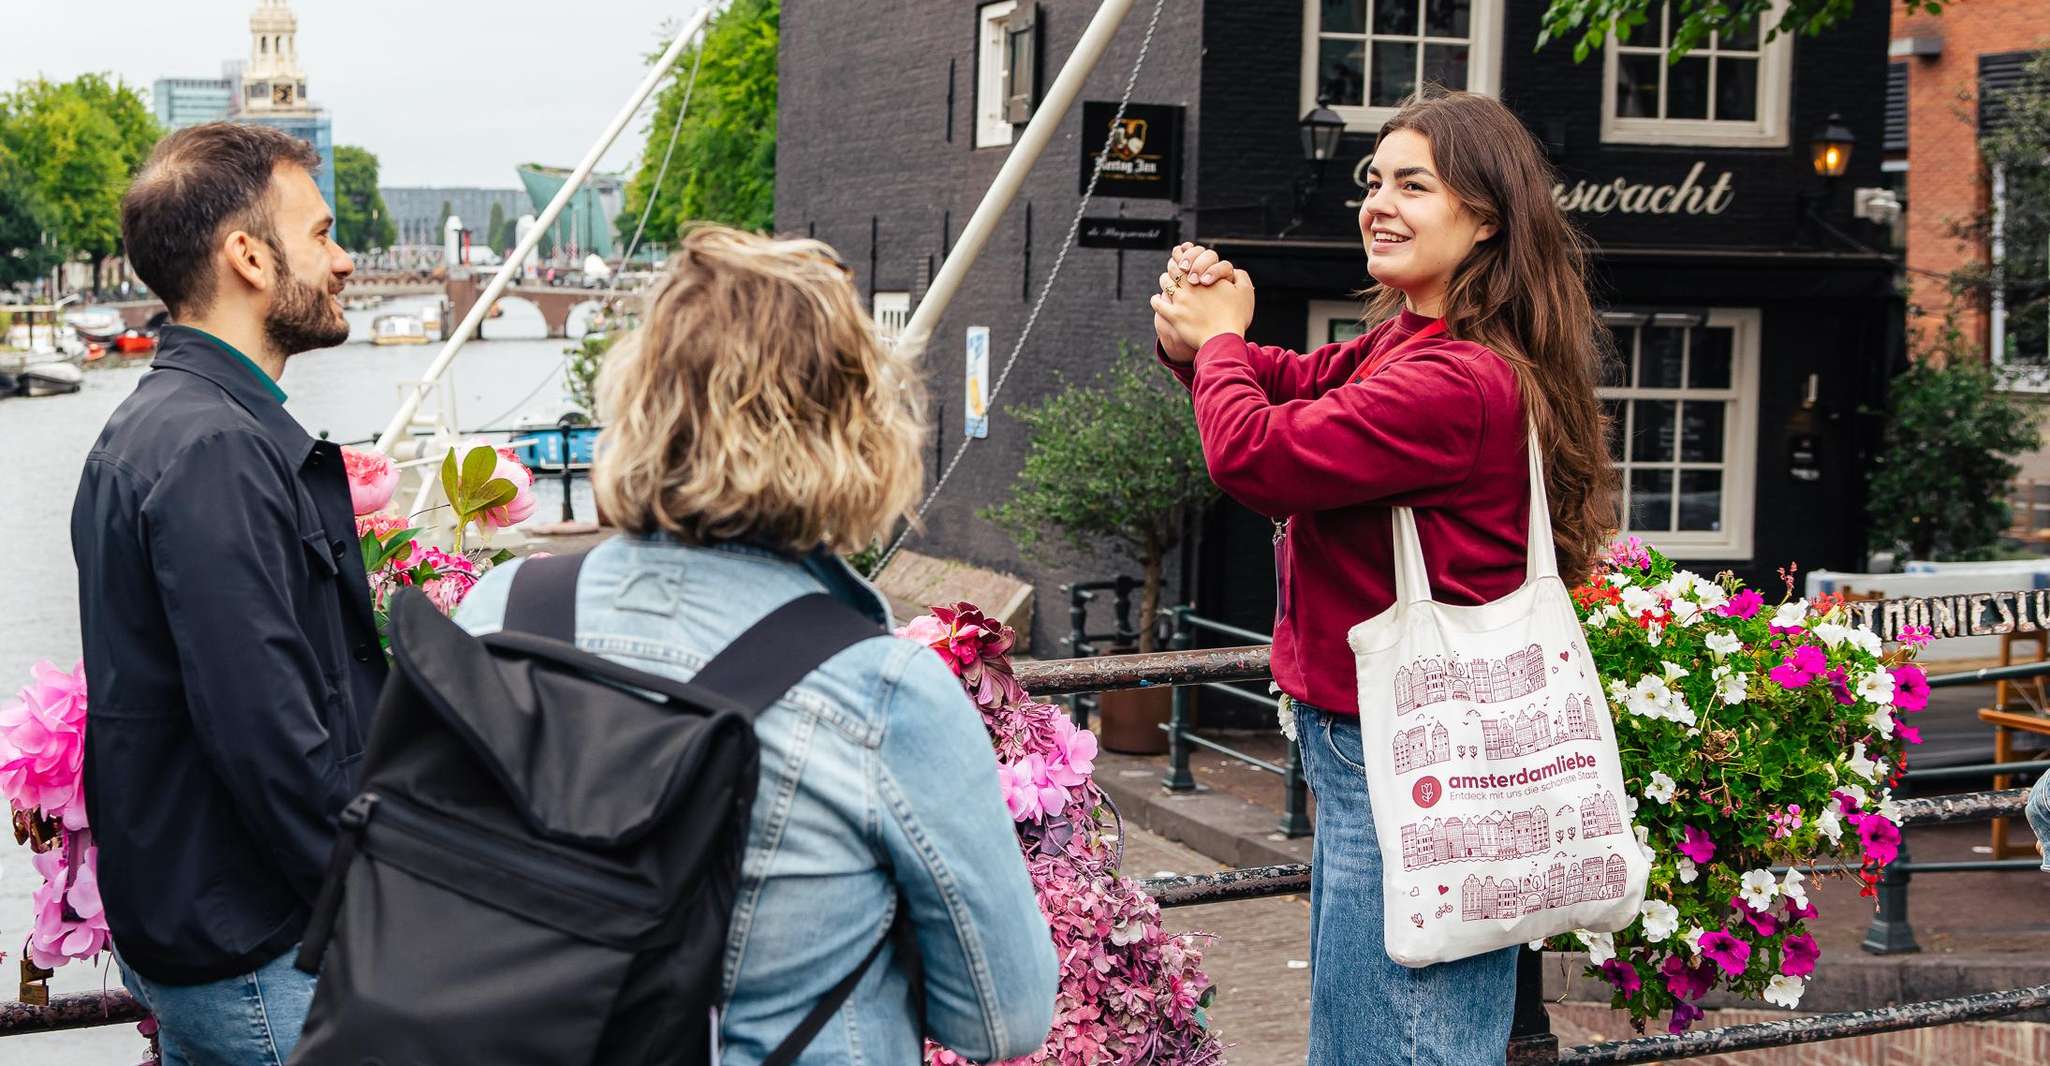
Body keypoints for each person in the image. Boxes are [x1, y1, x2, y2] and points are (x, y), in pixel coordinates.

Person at [452, 224, 1059, 1065]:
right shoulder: (884, 692)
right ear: (857, 432)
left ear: (637, 406)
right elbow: (1003, 1019)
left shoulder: (496, 614)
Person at [1149, 91, 1617, 1064]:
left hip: (1406, 753)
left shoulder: (1456, 379)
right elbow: (1287, 383)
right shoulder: (1409, 341)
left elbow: (1257, 457)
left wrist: (1222, 340)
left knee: (1391, 1044)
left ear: (1485, 216)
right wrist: (1200, 336)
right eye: (1373, 180)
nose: (1378, 202)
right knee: (1391, 1031)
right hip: (1387, 747)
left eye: (1414, 184)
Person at [71, 122, 376, 1065]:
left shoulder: (157, 425)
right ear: (248, 255)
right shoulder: (217, 449)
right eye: (320, 233)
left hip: (205, 927)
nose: (345, 260)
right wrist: (388, 907)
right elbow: (270, 734)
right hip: (261, 951)